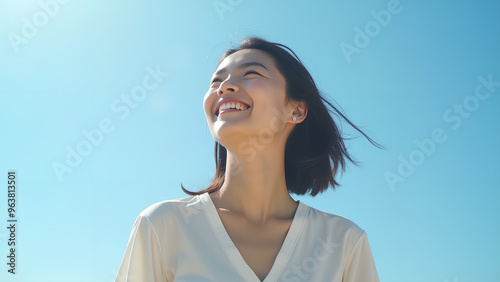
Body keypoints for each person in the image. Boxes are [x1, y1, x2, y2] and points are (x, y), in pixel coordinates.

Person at [116, 37, 381, 282]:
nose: (224, 87)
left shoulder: (344, 242)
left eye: (251, 73)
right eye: (215, 81)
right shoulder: (161, 226)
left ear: (296, 110)